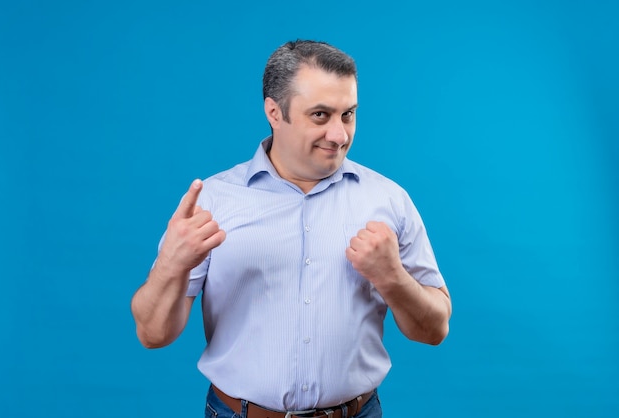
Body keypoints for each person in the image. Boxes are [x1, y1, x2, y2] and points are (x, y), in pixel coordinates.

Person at [131, 39, 452, 418]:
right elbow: (152, 335)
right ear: (274, 112)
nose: (340, 134)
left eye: (348, 114)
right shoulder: (213, 201)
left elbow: (435, 330)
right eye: (320, 115)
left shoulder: (389, 200)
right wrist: (172, 263)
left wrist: (392, 278)